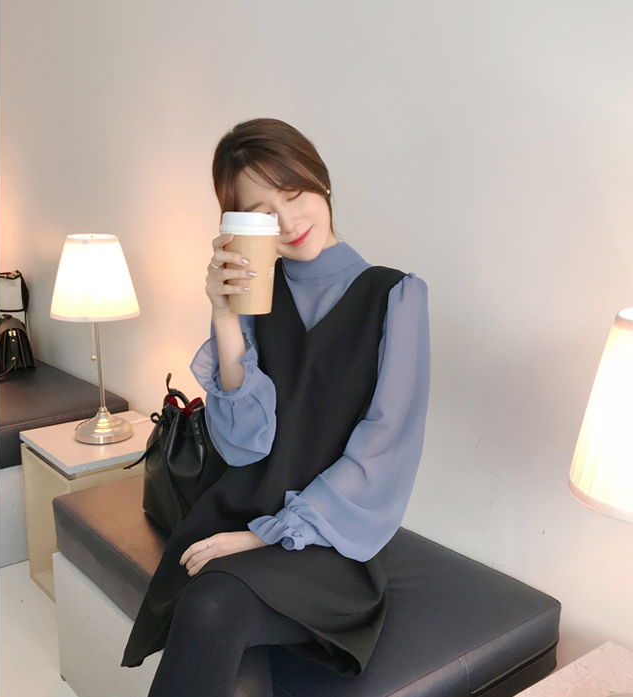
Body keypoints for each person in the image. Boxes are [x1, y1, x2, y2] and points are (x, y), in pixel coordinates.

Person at [122, 118, 430, 696]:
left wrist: (265, 537)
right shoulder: (254, 297)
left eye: (294, 194)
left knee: (212, 602)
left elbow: (382, 453)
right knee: (218, 618)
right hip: (240, 510)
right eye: (262, 213)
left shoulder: (396, 296)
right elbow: (244, 443)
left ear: (322, 182)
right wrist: (223, 314)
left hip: (334, 541)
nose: (288, 222)